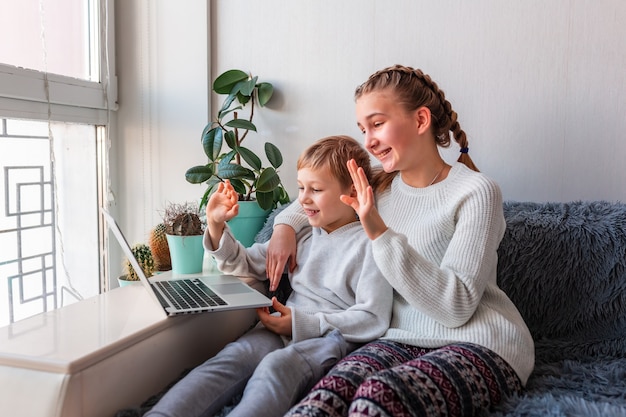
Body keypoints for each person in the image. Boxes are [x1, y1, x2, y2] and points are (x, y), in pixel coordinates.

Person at [267, 65, 535, 417]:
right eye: (363, 129)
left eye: (377, 124)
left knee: (375, 401)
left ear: (421, 120)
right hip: (396, 338)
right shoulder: (379, 185)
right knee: (321, 402)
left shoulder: (476, 192)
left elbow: (455, 306)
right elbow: (317, 196)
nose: (368, 141)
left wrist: (378, 231)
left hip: (479, 341)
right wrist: (283, 228)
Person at [144, 135, 393, 417]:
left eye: (316, 189)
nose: (303, 199)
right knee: (232, 357)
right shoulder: (301, 233)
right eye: (300, 187)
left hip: (330, 339)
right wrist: (215, 224)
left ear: (352, 191)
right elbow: (244, 263)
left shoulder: (372, 244)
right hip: (280, 326)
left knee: (275, 369)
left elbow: (374, 317)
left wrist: (301, 324)